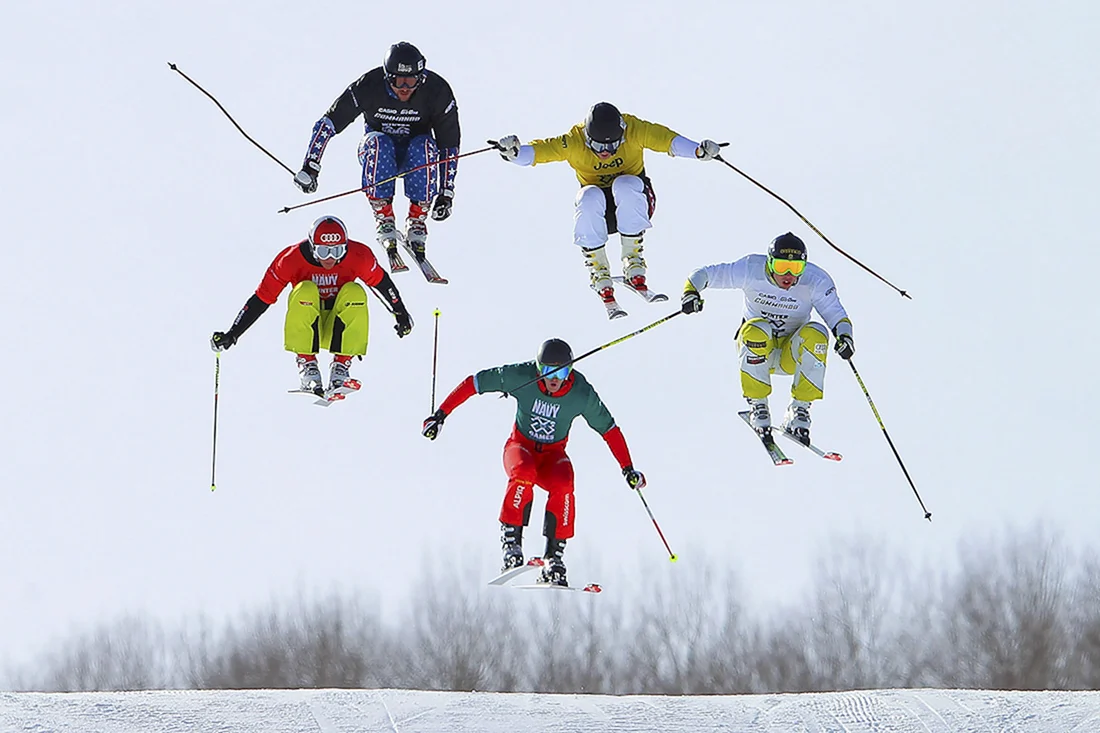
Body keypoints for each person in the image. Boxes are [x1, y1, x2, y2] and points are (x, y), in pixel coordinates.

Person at [420, 338, 646, 587]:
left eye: (562, 371)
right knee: (524, 472)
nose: (554, 378)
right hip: (520, 449)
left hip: (552, 456)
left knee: (565, 481)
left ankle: (553, 558)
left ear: (570, 370)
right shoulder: (521, 376)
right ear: (538, 368)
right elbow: (475, 382)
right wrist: (440, 415)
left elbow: (609, 429)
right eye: (548, 370)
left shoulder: (580, 392)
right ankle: (511, 545)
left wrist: (627, 468)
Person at [494, 103, 722, 318]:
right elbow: (537, 152)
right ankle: (598, 270)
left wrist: (698, 151)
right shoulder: (574, 141)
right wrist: (513, 153)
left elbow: (668, 141)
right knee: (588, 195)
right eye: (598, 146)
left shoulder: (635, 129)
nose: (606, 152)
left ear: (622, 133)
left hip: (636, 202)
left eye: (613, 145)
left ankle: (633, 261)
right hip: (601, 215)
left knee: (623, 184)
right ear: (587, 138)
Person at [294, 41, 461, 267]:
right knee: (378, 142)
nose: (404, 88)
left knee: (424, 145)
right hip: (379, 154)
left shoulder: (437, 91)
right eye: (397, 80)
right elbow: (329, 122)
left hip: (417, 157)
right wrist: (310, 165)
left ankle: (417, 218)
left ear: (421, 78)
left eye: (411, 81)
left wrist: (446, 193)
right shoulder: (369, 85)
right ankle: (384, 215)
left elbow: (449, 144)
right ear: (386, 77)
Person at [680, 233, 855, 444]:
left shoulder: (816, 280)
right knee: (756, 327)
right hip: (759, 350)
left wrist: (845, 337)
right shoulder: (751, 269)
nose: (789, 275)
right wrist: (691, 293)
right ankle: (758, 405)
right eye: (781, 266)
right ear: (769, 262)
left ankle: (799, 410)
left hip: (791, 355)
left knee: (817, 333)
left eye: (796, 268)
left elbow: (837, 315)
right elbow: (702, 274)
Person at [210, 216, 414, 394]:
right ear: (312, 246)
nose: (331, 258)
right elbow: (261, 299)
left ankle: (341, 367)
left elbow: (382, 283)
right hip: (309, 327)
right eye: (324, 251)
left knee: (356, 292)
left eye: (337, 251)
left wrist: (401, 313)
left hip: (338, 327)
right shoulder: (290, 260)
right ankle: (307, 364)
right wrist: (233, 333)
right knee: (304, 290)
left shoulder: (359, 255)